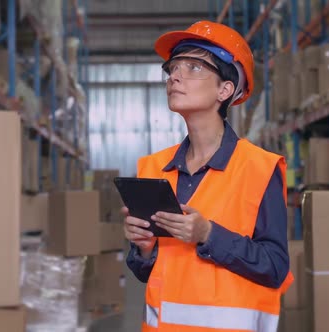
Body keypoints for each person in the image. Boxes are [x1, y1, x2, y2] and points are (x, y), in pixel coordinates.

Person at [122, 20, 294, 332]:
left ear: (225, 89)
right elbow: (150, 271)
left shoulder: (259, 168)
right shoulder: (154, 168)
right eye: (173, 68)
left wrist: (208, 234)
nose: (174, 76)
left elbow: (276, 267)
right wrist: (144, 249)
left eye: (194, 67)